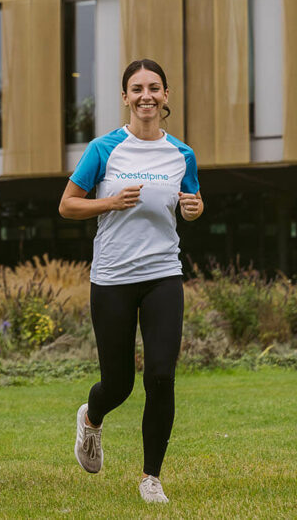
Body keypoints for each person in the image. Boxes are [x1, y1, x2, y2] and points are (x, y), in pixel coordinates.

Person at [59, 58, 203, 504]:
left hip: (163, 274)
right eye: (137, 88)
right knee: (118, 383)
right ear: (125, 97)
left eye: (154, 88)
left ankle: (151, 477)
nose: (146, 96)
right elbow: (67, 205)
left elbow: (189, 203)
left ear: (166, 95)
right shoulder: (104, 150)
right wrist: (110, 203)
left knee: (161, 376)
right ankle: (92, 418)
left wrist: (194, 210)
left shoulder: (182, 154)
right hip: (113, 276)